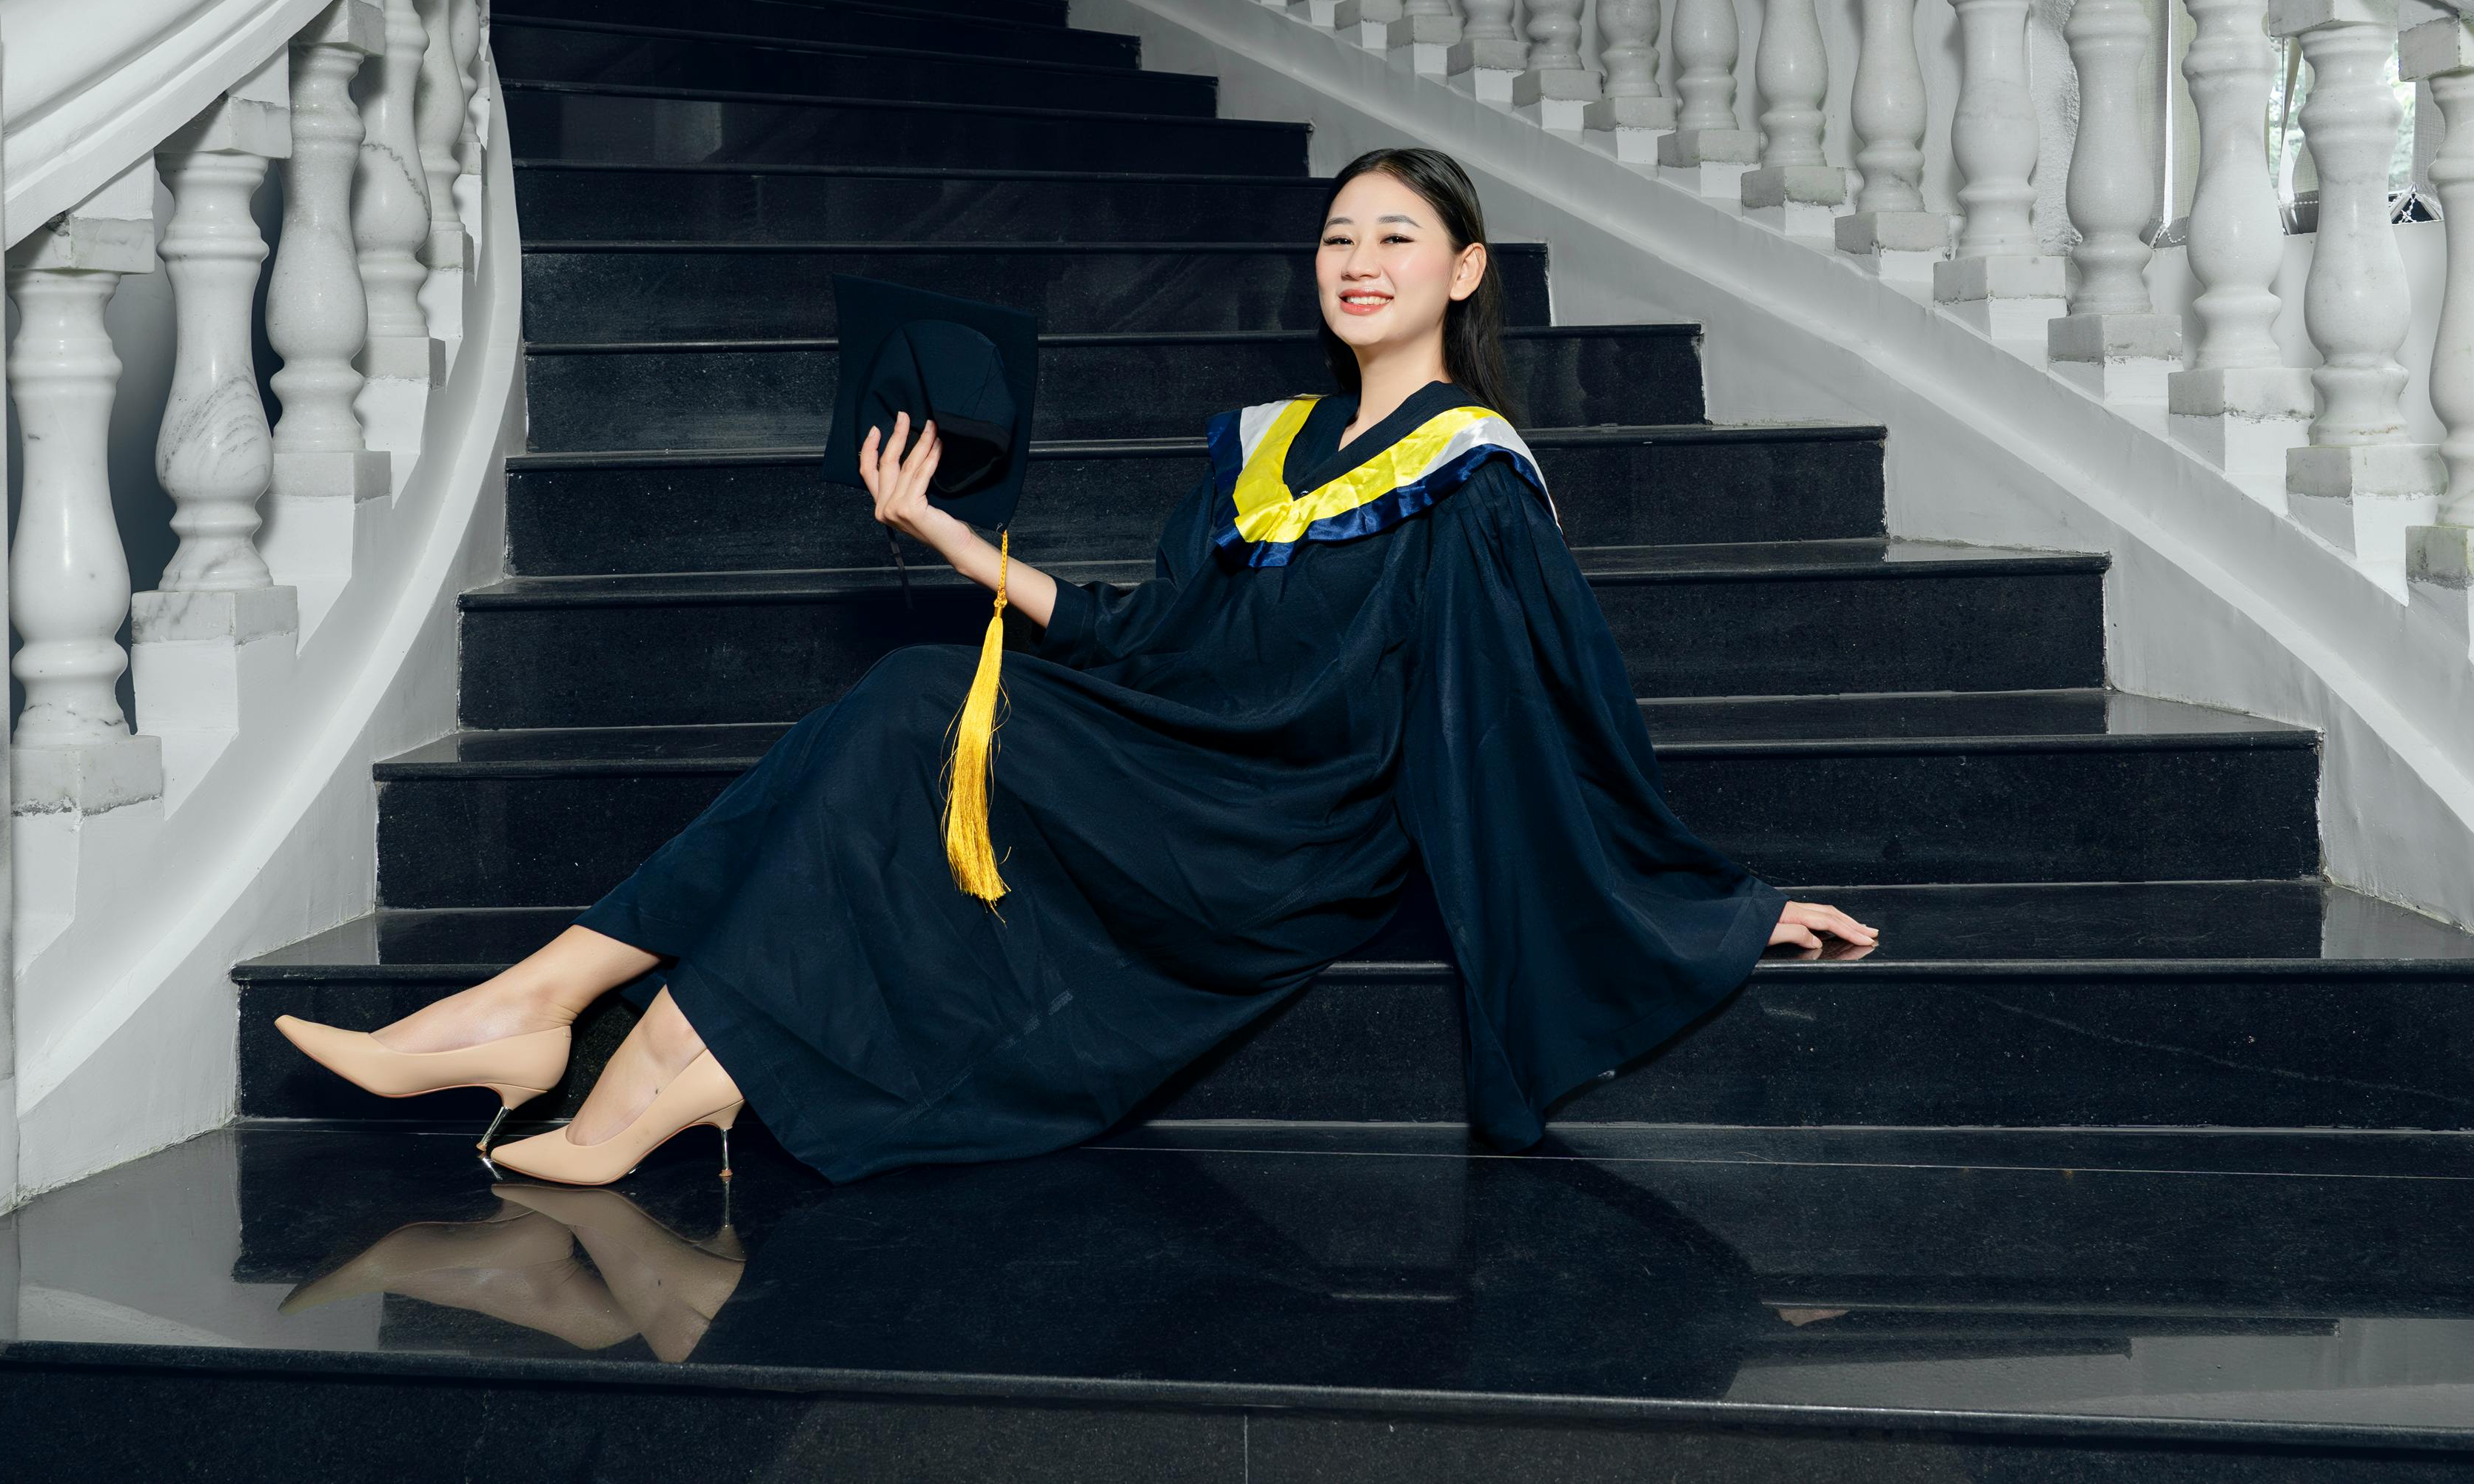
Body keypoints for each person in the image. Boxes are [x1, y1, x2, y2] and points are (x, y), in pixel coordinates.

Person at [278, 147, 1876, 1186]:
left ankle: (605, 1042)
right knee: (915, 693)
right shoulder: (1278, 449)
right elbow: (1173, 637)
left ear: (1466, 273)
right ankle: (578, 1023)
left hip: (1296, 821)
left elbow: (1544, 720)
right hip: (1193, 750)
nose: (1358, 259)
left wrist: (1714, 902)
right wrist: (967, 555)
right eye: (1336, 236)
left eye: (1398, 235)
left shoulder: (1473, 476)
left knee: (911, 712)